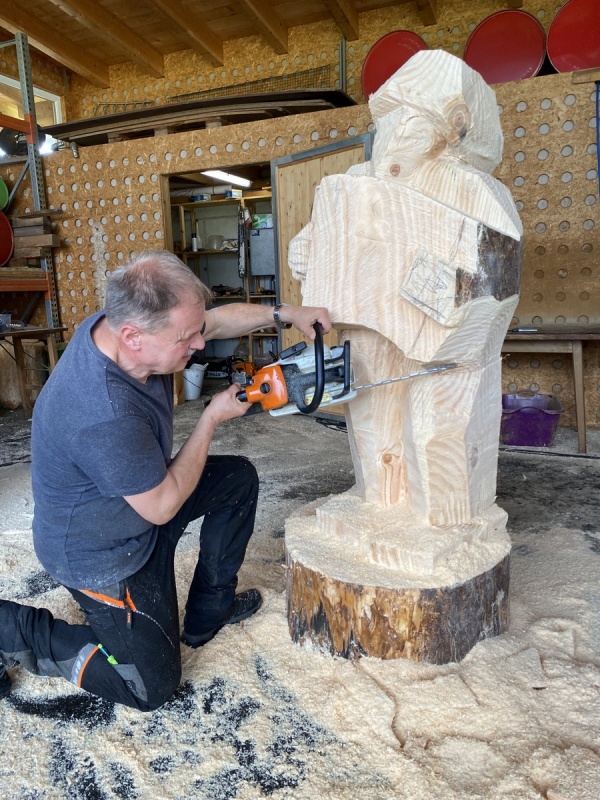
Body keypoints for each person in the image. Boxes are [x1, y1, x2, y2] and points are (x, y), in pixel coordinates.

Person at [0, 250, 332, 711]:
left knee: (236, 481)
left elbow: (214, 323)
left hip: (139, 500)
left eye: (195, 331)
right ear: (134, 337)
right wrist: (211, 417)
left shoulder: (122, 327)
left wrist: (286, 313)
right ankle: (14, 628)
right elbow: (161, 507)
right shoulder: (103, 411)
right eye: (186, 338)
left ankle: (208, 613)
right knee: (150, 689)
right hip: (101, 551)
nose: (198, 344)